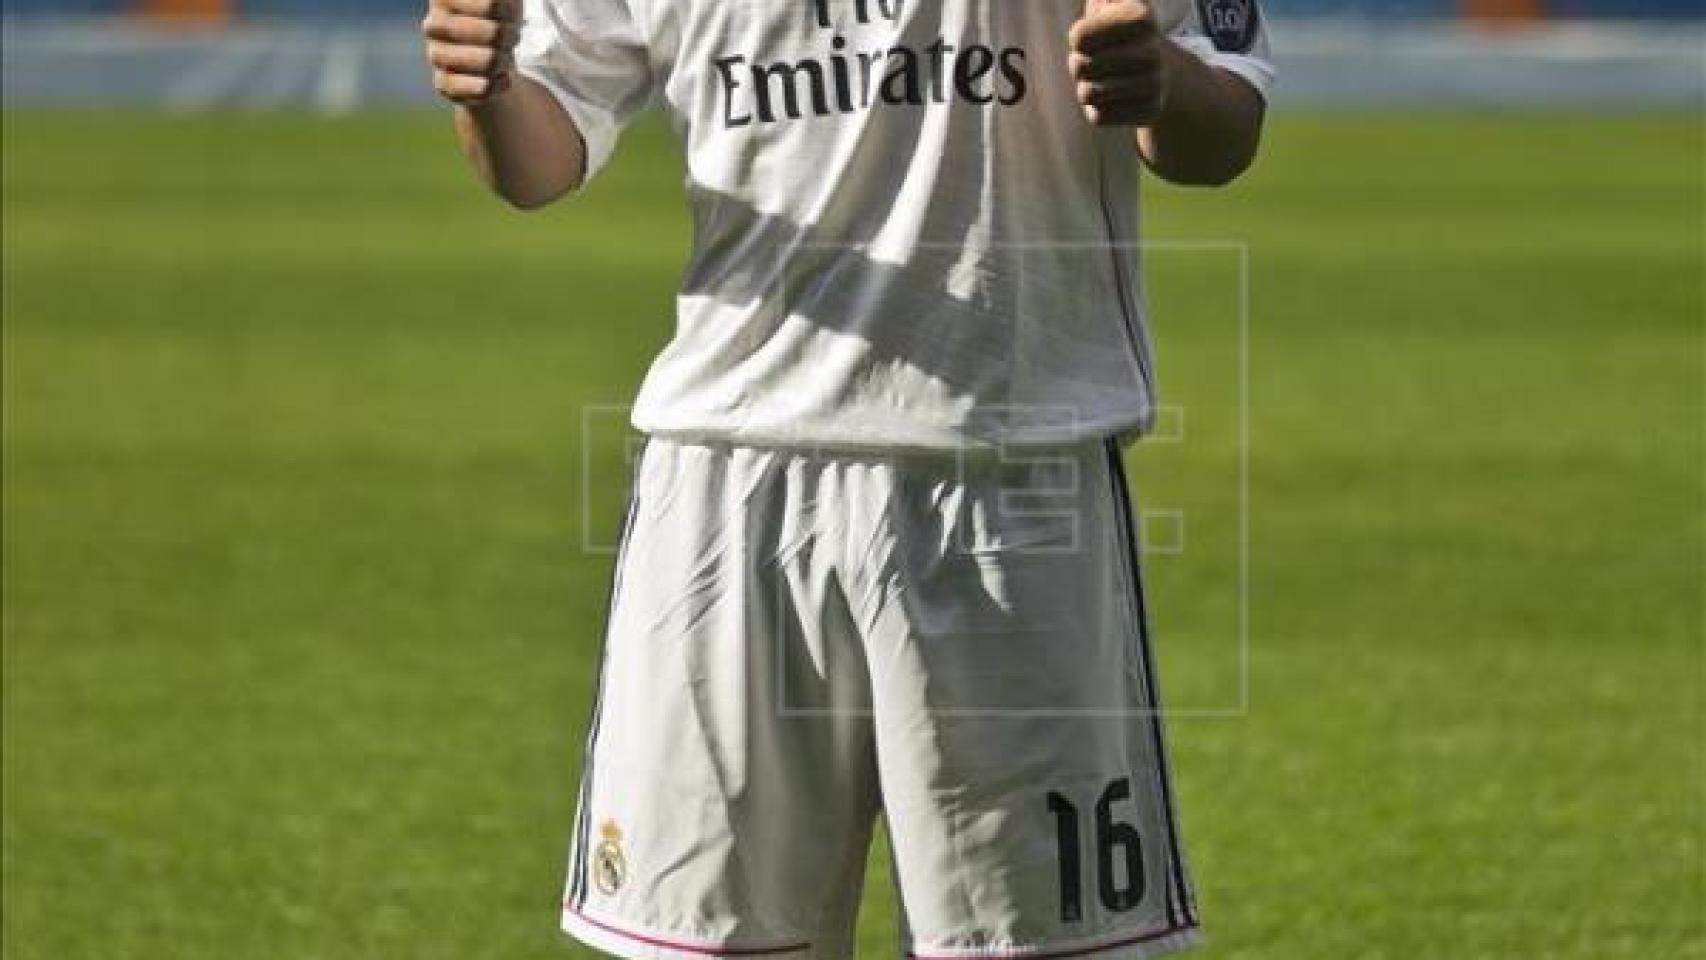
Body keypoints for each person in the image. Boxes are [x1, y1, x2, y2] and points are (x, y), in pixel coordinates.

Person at [421, 0, 1271, 956]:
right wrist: (486, 91)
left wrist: (1159, 79)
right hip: (726, 483)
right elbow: (540, 159)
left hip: (1009, 473)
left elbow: (1223, 121)